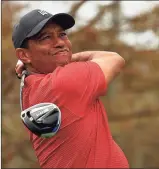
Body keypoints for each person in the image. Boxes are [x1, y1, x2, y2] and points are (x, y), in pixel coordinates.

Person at [13, 9, 129, 168]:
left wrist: (59, 56)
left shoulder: (31, 84)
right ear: (24, 55)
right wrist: (66, 56)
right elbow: (114, 59)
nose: (60, 42)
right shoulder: (62, 83)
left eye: (62, 34)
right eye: (46, 37)